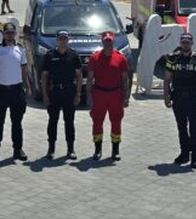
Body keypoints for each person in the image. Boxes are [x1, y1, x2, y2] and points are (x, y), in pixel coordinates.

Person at [0, 21, 33, 162]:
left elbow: (24, 70)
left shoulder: (21, 49)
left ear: (15, 34)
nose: (10, 35)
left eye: (12, 32)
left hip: (16, 90)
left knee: (17, 122)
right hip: (1, 90)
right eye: (7, 32)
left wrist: (27, 86)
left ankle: (18, 149)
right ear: (3, 33)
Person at [163, 32, 196, 168]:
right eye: (183, 42)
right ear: (180, 43)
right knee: (181, 127)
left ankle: (195, 156)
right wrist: (166, 96)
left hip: (193, 98)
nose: (185, 45)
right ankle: (184, 154)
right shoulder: (173, 59)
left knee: (194, 128)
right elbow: (167, 79)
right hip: (178, 98)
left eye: (188, 43)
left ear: (192, 44)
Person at [87, 31, 131, 160]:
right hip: (99, 94)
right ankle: (97, 150)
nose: (108, 44)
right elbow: (89, 78)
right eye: (105, 41)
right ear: (102, 41)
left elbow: (125, 79)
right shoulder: (94, 57)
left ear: (113, 41)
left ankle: (115, 150)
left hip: (115, 94)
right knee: (97, 122)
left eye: (110, 41)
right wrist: (89, 96)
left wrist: (126, 97)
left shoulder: (120, 58)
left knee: (116, 122)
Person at [41, 29, 83, 159]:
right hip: (54, 92)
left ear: (68, 40)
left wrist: (78, 94)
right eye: (60, 38)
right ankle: (51, 149)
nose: (63, 41)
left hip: (69, 91)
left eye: (65, 38)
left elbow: (79, 76)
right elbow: (44, 76)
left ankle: (70, 149)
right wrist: (45, 95)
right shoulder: (50, 55)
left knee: (69, 122)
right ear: (57, 40)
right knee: (53, 121)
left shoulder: (73, 55)